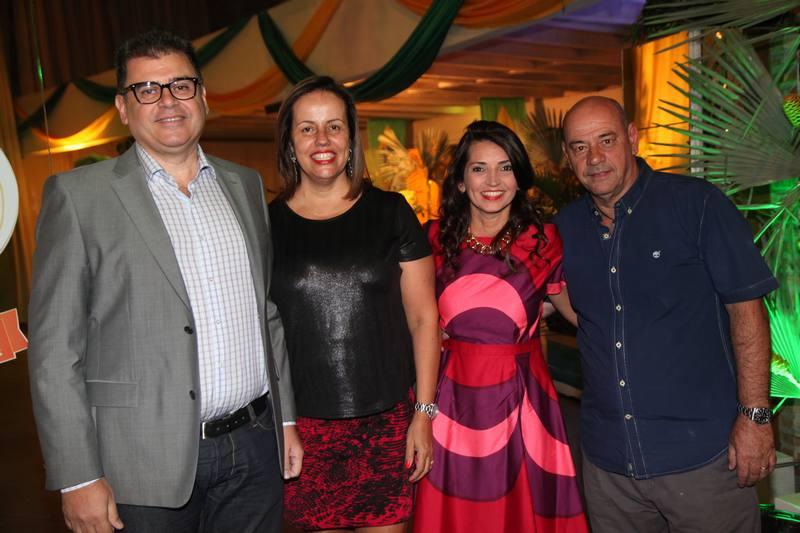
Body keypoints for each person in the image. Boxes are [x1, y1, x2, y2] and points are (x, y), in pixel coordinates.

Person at [27, 29, 302, 533]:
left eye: (180, 85)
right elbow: (54, 352)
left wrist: (284, 420)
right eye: (147, 90)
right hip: (140, 461)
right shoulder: (78, 197)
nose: (167, 101)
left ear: (203, 96)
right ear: (123, 106)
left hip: (255, 448)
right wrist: (76, 476)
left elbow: (265, 312)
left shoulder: (244, 185)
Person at [555, 96, 778, 532]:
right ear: (567, 156)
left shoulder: (697, 205)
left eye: (606, 140)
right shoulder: (565, 228)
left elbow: (748, 313)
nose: (594, 158)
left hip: (704, 460)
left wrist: (755, 416)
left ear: (632, 138)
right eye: (580, 147)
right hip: (609, 469)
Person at [268, 75, 440, 532]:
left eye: (334, 126)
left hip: (387, 424)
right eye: (307, 128)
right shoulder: (266, 225)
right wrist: (282, 424)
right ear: (290, 143)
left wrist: (423, 415)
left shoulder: (391, 211)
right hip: (304, 431)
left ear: (350, 138)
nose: (322, 140)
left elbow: (424, 319)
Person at [413, 120, 588, 533]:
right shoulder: (433, 239)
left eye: (505, 167)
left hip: (524, 402)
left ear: (519, 178)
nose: (493, 181)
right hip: (449, 400)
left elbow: (578, 312)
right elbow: (414, 319)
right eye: (479, 169)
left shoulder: (544, 240)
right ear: (460, 181)